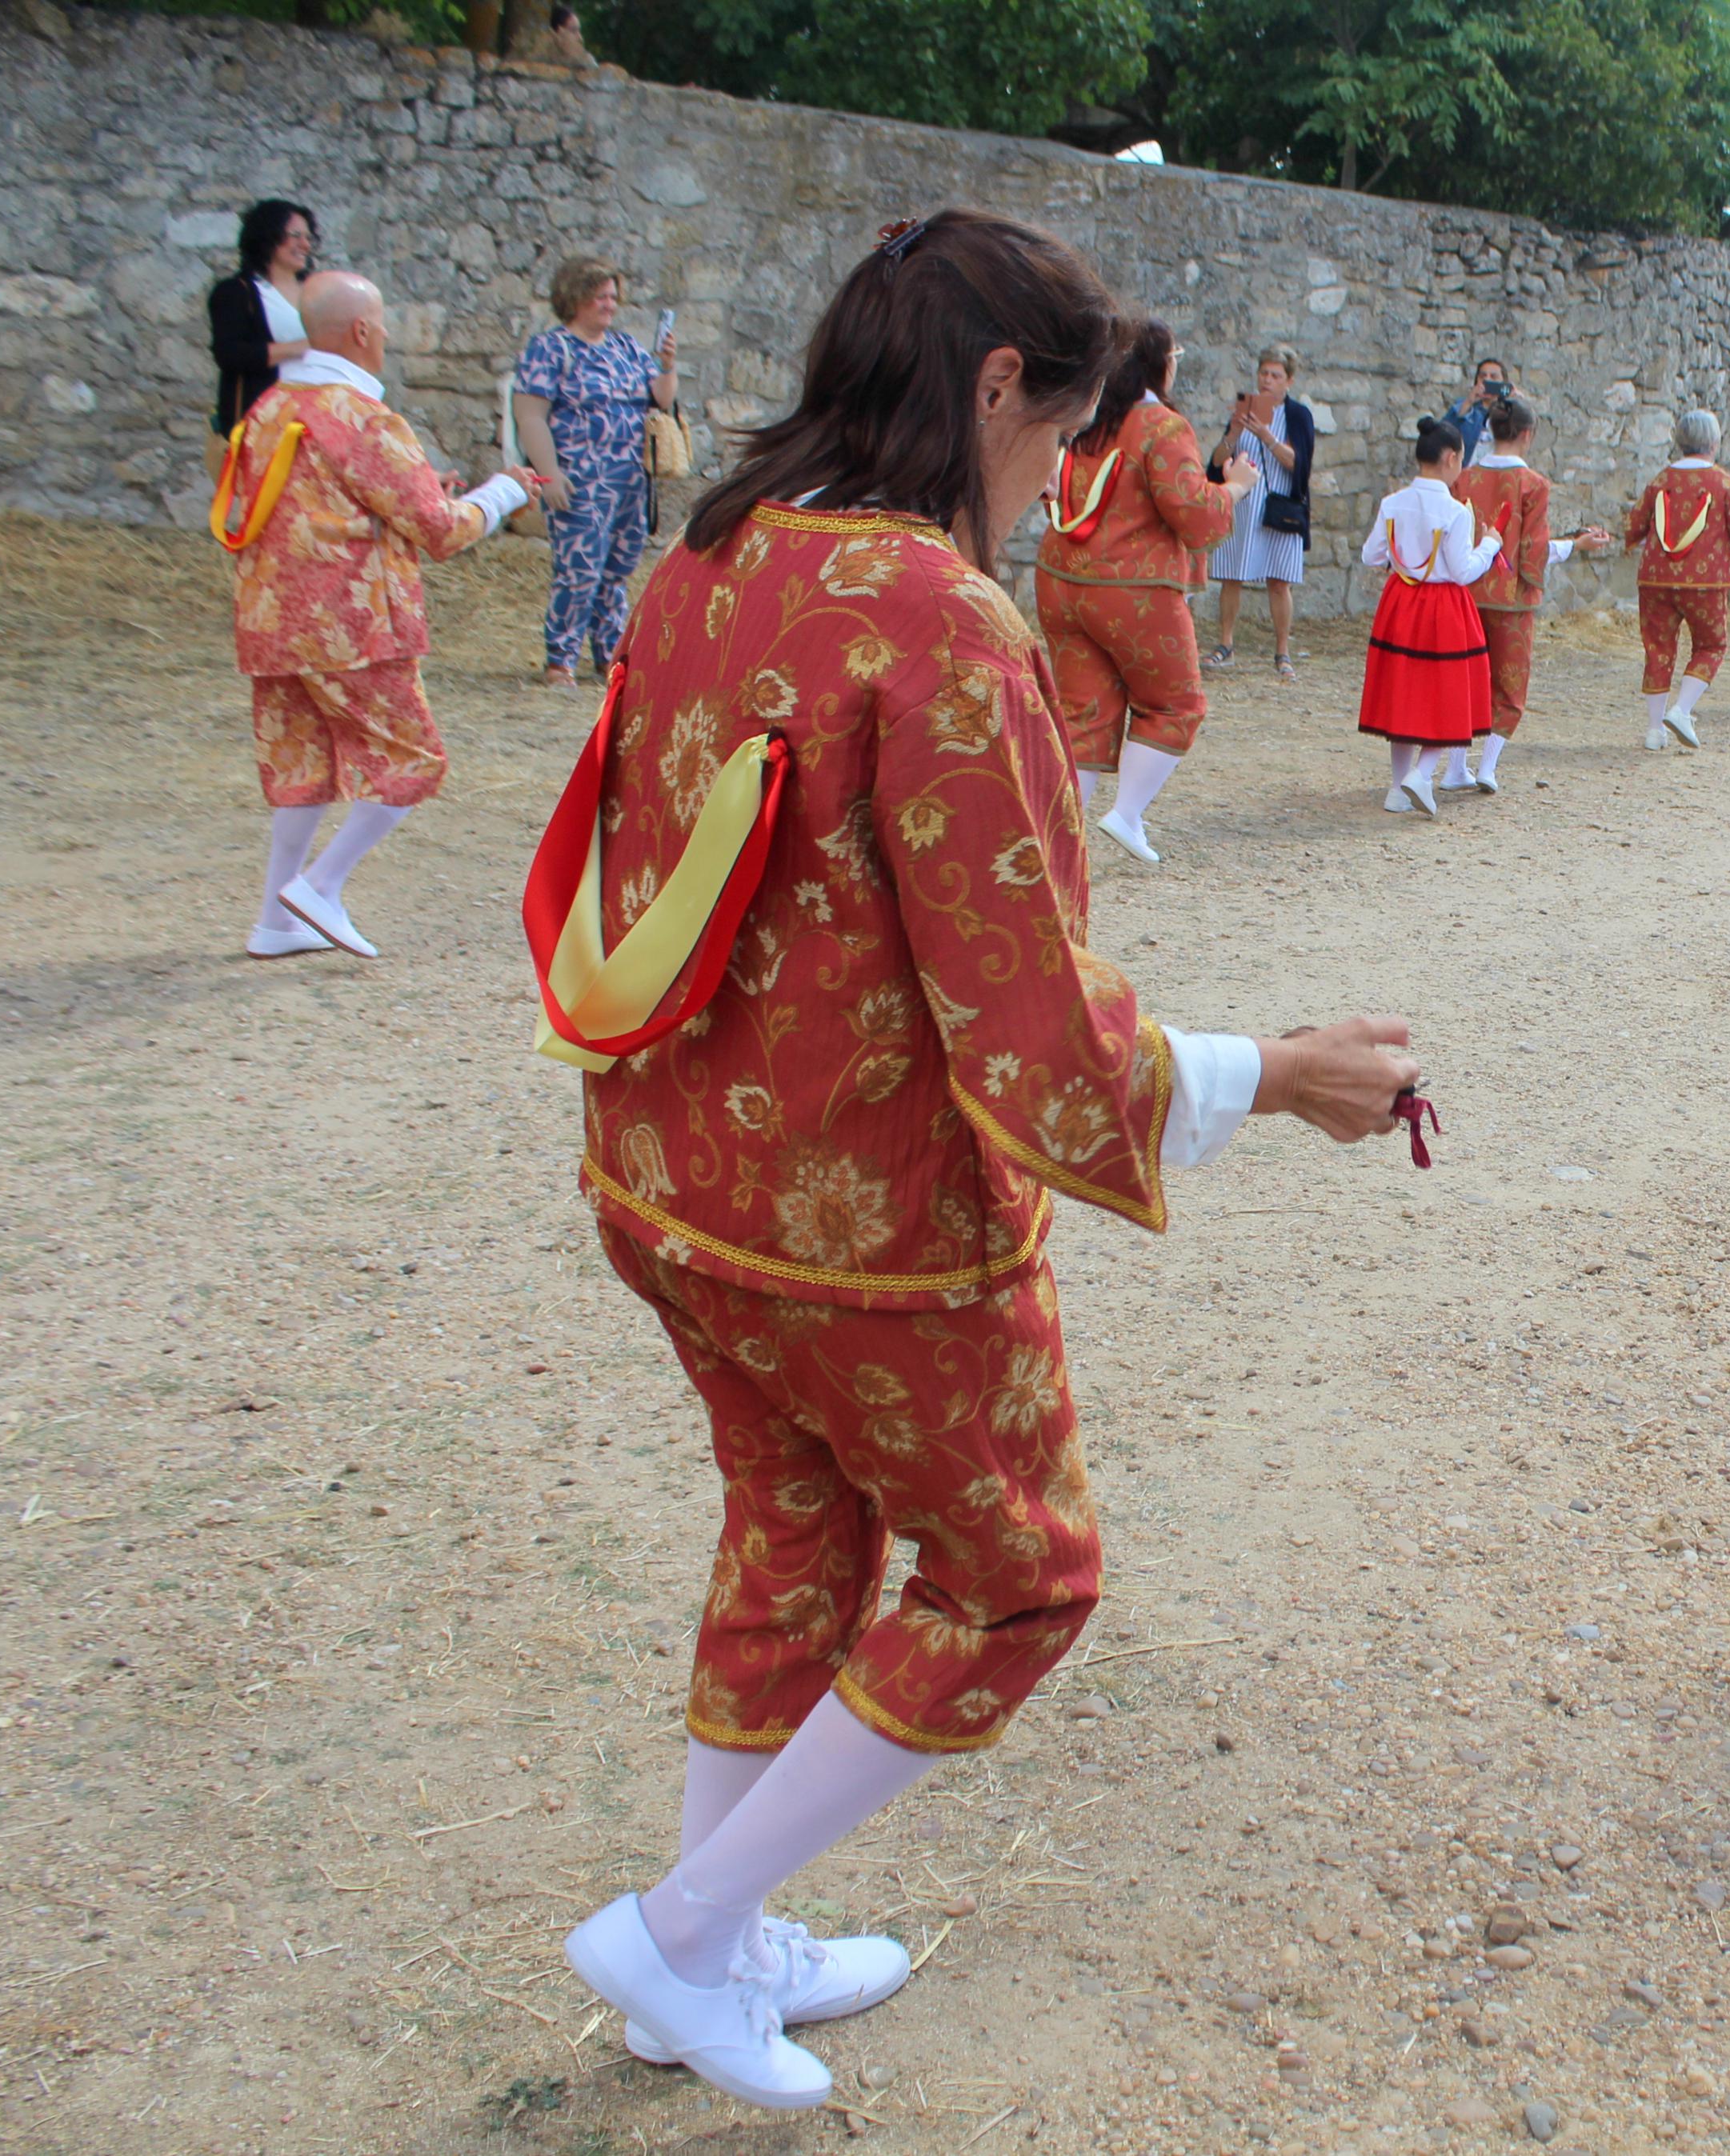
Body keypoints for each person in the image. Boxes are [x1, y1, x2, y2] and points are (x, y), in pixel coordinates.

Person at [537, 210, 1421, 2111]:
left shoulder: (710, 557)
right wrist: (1273, 1073)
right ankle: (688, 1933)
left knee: (796, 1534)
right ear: (994, 389)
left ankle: (704, 1959)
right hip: (861, 1232)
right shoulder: (938, 618)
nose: (1045, 495)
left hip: (667, 1179)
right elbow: (1024, 1017)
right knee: (1018, 1575)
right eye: (1050, 449)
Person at [217, 271, 535, 961]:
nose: (386, 334)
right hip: (354, 623)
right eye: (383, 322)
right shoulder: (361, 416)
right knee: (414, 759)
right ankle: (321, 886)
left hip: (272, 619)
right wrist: (504, 492)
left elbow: (319, 500)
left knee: (302, 765)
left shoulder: (273, 407)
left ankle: (275, 919)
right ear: (361, 331)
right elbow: (441, 531)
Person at [1032, 318, 1259, 863]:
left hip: (1061, 580)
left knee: (1083, 711)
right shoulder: (1161, 426)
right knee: (1176, 703)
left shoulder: (1083, 420)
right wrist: (1234, 487)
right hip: (1133, 588)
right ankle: (1127, 813)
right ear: (1159, 362)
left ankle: (1059, 838)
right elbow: (1192, 514)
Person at [515, 254, 677, 686]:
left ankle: (609, 656)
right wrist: (548, 474)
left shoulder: (625, 348)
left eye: (612, 296)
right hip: (579, 479)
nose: (609, 304)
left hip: (628, 480)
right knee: (579, 569)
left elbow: (660, 398)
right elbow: (530, 415)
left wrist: (667, 365)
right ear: (576, 298)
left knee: (617, 570)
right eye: (600, 296)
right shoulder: (550, 349)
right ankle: (560, 660)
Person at [1444, 395, 1611, 793]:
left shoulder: (1464, 479)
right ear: (1527, 434)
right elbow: (1532, 550)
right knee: (1510, 682)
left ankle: (1454, 766)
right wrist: (1575, 545)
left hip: (1465, 593)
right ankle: (1487, 766)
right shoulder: (1533, 485)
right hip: (1511, 599)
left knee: (1464, 677)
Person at [1357, 415, 1500, 812]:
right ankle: (1423, 773)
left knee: (1403, 691)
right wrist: (1489, 545)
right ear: (1452, 458)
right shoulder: (1456, 512)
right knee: (1447, 691)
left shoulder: (1392, 503)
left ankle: (1397, 787)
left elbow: (1371, 555)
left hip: (1401, 603)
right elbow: (1464, 571)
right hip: (1444, 608)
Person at [1624, 408, 1730, 749]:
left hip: (1656, 579)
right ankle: (1682, 709)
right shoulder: (1724, 484)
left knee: (1657, 650)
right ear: (1715, 442)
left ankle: (1654, 730)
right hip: (1706, 582)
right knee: (1711, 645)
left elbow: (1633, 528)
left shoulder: (1660, 481)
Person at [1206, 343, 1312, 678]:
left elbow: (1299, 464)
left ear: (1289, 381)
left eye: (1275, 375)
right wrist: (1235, 432)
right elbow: (1217, 462)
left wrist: (1266, 435)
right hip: (1244, 505)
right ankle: (1226, 645)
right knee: (1231, 577)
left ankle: (1283, 652)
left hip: (1281, 506)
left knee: (1280, 582)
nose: (1267, 380)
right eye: (1263, 373)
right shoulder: (1243, 411)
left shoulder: (1298, 416)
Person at [206, 198, 316, 480]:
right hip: (266, 421)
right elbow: (230, 354)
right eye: (295, 235)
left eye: (308, 236)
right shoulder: (237, 293)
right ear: (268, 237)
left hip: (316, 418)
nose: (305, 244)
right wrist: (299, 348)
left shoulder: (319, 291)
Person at [1444, 356, 1511, 464]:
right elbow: (1444, 433)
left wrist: (1517, 403)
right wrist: (1468, 402)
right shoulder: (1464, 406)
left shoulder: (1509, 412)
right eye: (1483, 376)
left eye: (1494, 377)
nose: (1487, 380)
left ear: (1503, 383)